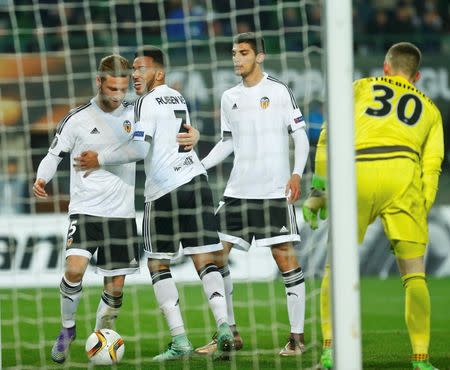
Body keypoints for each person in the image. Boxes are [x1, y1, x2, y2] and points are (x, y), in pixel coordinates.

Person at [74, 46, 235, 361]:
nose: (134, 74)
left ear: (158, 72)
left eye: (140, 69)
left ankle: (180, 340)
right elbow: (180, 130)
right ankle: (224, 326)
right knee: (205, 259)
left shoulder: (146, 103)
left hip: (164, 192)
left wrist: (100, 158)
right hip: (197, 181)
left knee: (158, 264)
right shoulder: (177, 97)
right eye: (132, 69)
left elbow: (138, 151)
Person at [303, 42, 443, 370]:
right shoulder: (431, 110)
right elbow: (433, 165)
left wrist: (320, 188)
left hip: (358, 171)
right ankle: (421, 359)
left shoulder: (361, 87)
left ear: (386, 67)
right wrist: (420, 206)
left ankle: (329, 350)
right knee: (414, 276)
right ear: (417, 76)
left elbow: (327, 135)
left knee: (334, 269)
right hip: (403, 174)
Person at [195, 32, 310, 357]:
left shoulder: (278, 90)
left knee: (284, 259)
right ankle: (228, 332)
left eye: (243, 53)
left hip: (274, 191)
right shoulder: (229, 96)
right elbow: (228, 141)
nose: (236, 58)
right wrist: (199, 166)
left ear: (259, 56)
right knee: (214, 257)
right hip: (237, 192)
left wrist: (297, 173)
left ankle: (296, 339)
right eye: (234, 53)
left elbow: (299, 136)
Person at [33, 55, 141, 364]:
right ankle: (67, 330)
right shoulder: (77, 118)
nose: (118, 95)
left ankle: (99, 339)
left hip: (121, 213)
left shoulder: (136, 115)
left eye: (122, 89)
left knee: (116, 290)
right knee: (74, 269)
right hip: (85, 210)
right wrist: (43, 177)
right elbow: (54, 154)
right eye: (112, 89)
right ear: (99, 82)